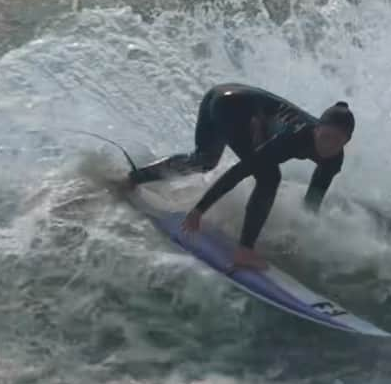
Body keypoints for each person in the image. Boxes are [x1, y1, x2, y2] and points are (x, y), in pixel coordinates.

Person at [129, 83, 355, 269]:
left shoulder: (333, 161)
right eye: (326, 137)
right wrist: (199, 210)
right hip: (229, 105)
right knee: (269, 176)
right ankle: (244, 251)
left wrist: (299, 238)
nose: (328, 145)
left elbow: (312, 203)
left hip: (227, 97)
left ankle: (132, 179)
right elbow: (240, 171)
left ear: (346, 142)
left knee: (204, 160)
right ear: (317, 129)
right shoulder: (294, 138)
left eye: (337, 141)